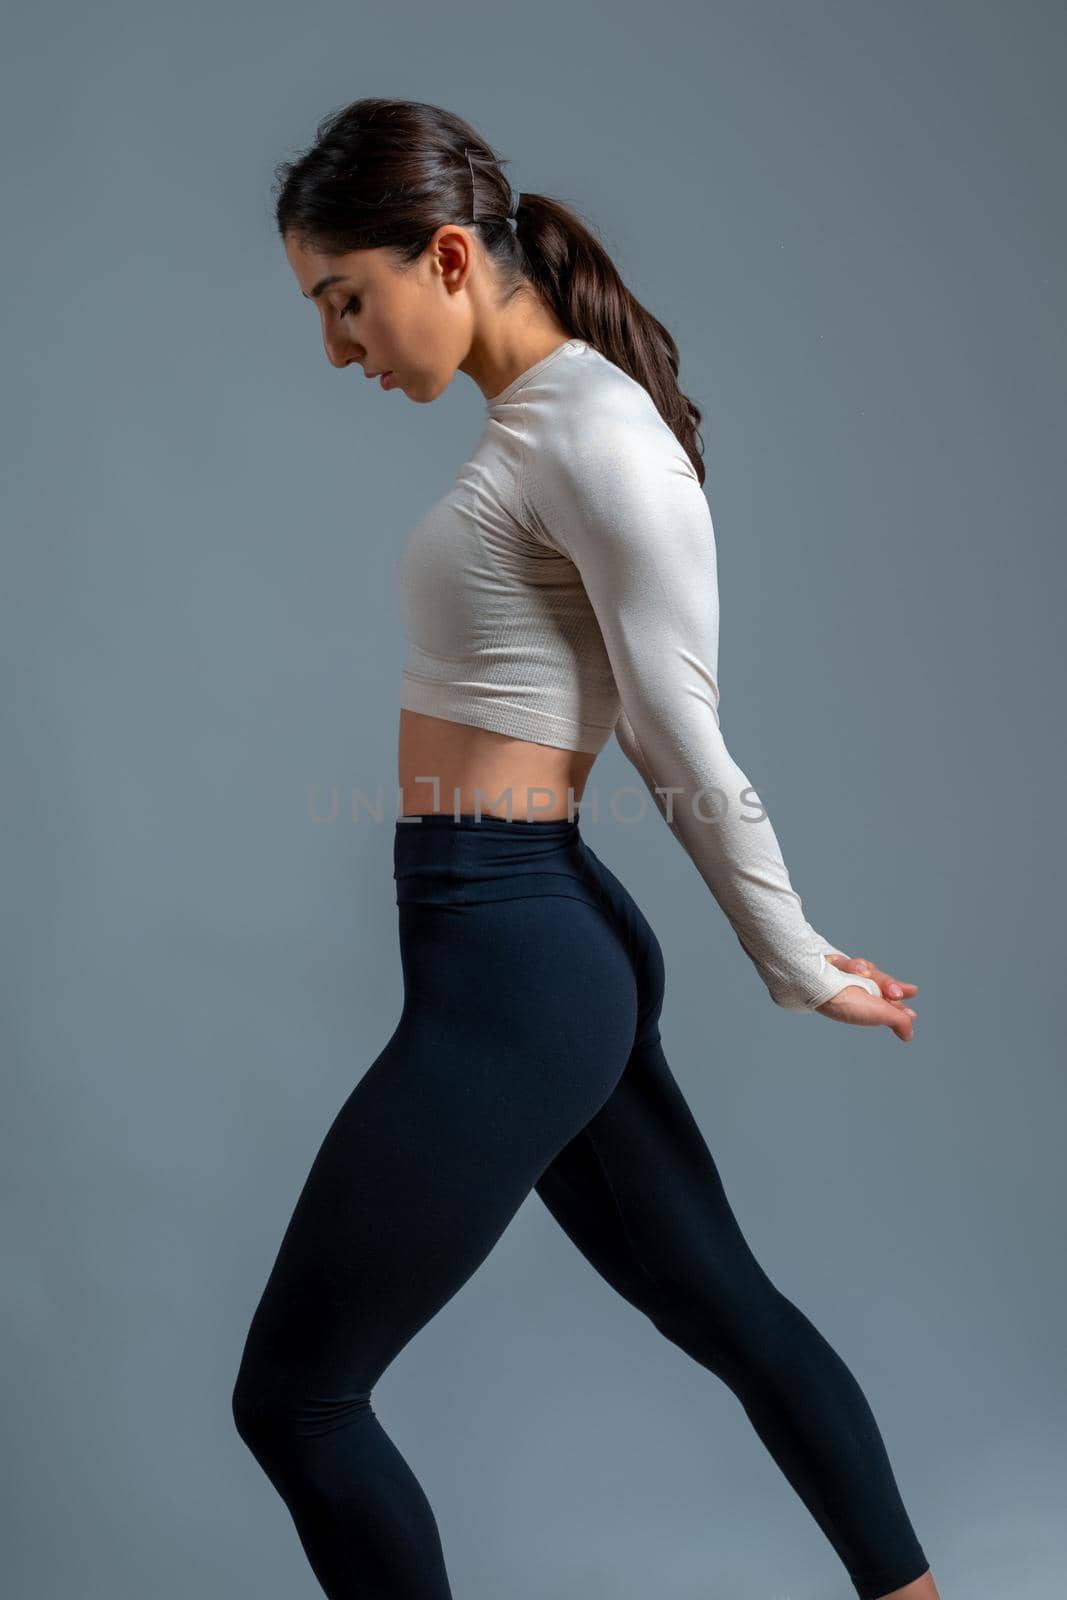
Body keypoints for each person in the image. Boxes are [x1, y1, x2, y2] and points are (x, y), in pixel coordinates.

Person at [231, 97, 938, 1600]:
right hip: (522, 949)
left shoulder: (604, 439)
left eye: (342, 301)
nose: (337, 345)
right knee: (734, 1315)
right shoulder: (540, 422)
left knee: (295, 1398)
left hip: (521, 968)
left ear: (440, 257)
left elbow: (681, 742)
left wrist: (800, 965)